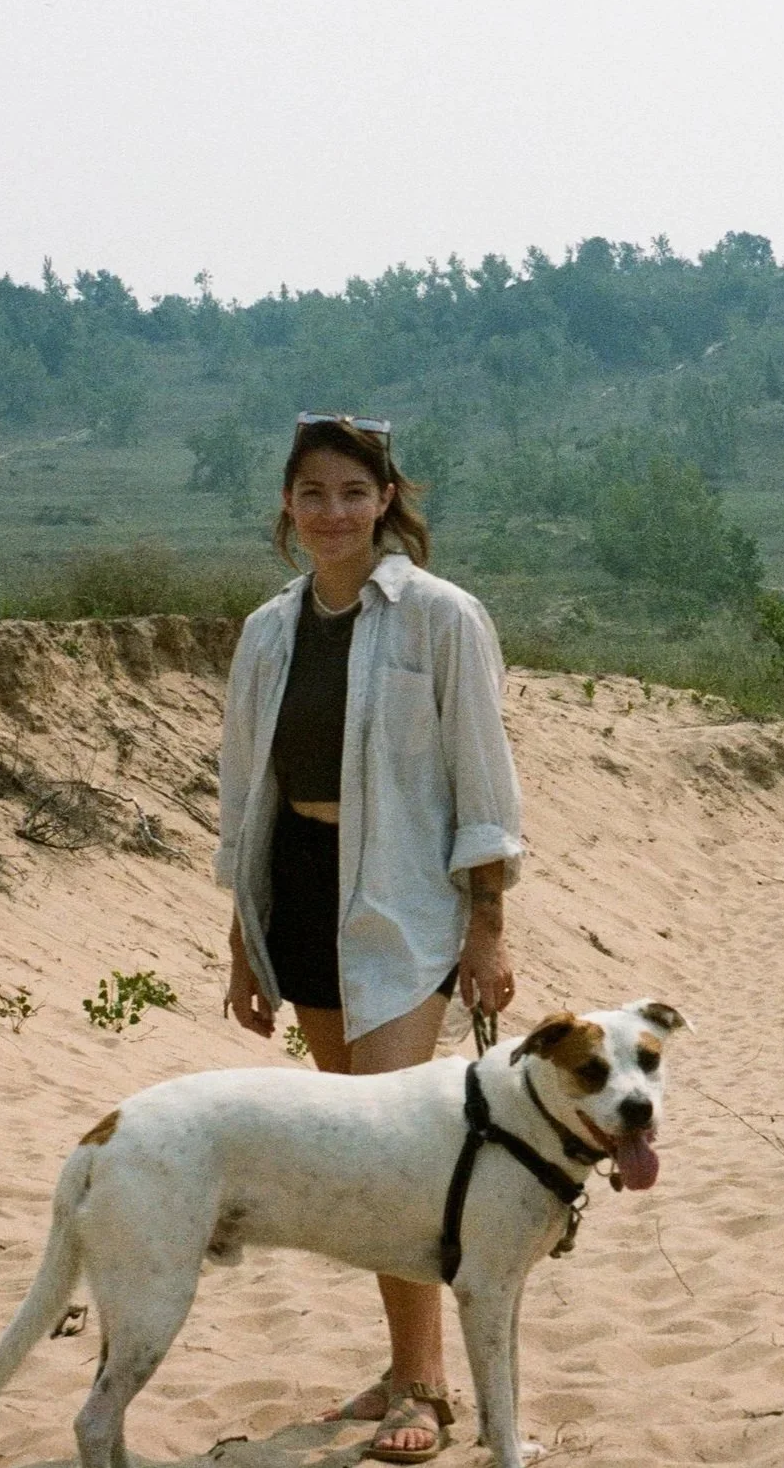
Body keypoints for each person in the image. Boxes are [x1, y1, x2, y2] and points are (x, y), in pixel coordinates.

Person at [215, 412, 522, 1464]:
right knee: (357, 1142)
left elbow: (485, 788)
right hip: (299, 890)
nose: (331, 512)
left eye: (352, 491)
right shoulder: (267, 631)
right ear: (287, 508)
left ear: (385, 498)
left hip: (403, 898)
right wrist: (242, 938)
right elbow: (246, 796)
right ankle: (404, 1366)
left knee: (399, 1151)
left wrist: (487, 927)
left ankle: (427, 1389)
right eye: (311, 494)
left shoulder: (442, 617)